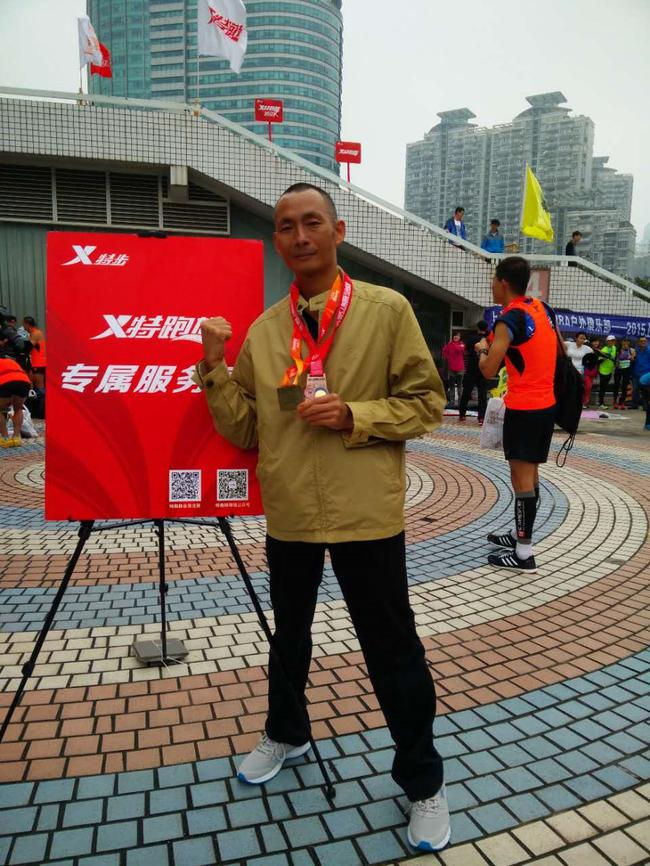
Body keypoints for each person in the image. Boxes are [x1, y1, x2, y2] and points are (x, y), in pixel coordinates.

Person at [196, 183, 450, 852]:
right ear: (276, 241)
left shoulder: (386, 311)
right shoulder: (264, 332)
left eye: (312, 223)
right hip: (291, 514)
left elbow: (426, 403)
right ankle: (287, 732)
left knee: (392, 648)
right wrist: (213, 367)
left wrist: (354, 414)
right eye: (286, 226)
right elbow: (246, 429)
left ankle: (423, 782)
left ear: (338, 232)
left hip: (366, 514)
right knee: (290, 638)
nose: (300, 236)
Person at [475, 256, 557, 573]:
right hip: (546, 404)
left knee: (522, 479)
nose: (491, 285)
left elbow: (488, 371)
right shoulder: (542, 309)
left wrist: (483, 348)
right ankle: (519, 535)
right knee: (529, 476)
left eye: (493, 279)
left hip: (524, 408)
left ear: (504, 282)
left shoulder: (508, 320)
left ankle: (524, 554)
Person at [0, 338, 31, 447]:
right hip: (24, 382)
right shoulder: (10, 361)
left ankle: (4, 438)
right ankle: (16, 438)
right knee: (18, 408)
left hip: (6, 382)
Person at [458, 320, 489, 424]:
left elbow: (466, 352)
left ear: (478, 328)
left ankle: (462, 414)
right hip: (484, 368)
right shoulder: (489, 339)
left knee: (466, 392)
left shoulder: (471, 339)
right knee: (482, 394)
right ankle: (481, 417)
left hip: (471, 368)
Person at [441, 332, 465, 406]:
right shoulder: (449, 344)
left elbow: (459, 350)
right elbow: (444, 351)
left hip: (460, 368)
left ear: (460, 337)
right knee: (451, 385)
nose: (456, 337)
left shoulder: (462, 344)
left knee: (459, 385)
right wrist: (448, 358)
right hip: (451, 368)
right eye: (455, 336)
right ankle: (452, 401)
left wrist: (454, 344)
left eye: (457, 336)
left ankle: (460, 402)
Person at [23, 316, 46, 393]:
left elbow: (28, 347)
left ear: (27, 324)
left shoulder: (36, 333)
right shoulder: (33, 333)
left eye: (23, 324)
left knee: (39, 386)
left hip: (38, 363)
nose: (23, 326)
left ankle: (42, 400)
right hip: (35, 363)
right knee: (36, 385)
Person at [612, 337, 635, 409]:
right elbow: (615, 359)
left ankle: (622, 402)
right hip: (618, 369)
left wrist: (631, 357)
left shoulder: (632, 350)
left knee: (624, 386)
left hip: (627, 370)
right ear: (621, 342)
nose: (626, 342)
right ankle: (615, 401)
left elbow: (633, 359)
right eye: (624, 341)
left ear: (629, 342)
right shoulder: (617, 349)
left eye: (627, 341)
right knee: (616, 385)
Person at [597, 335, 618, 409]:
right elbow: (598, 361)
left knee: (605, 387)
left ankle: (601, 402)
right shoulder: (604, 349)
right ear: (607, 341)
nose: (612, 342)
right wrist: (604, 358)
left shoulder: (614, 348)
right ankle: (601, 403)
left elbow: (615, 358)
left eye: (613, 340)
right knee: (602, 387)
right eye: (610, 341)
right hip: (603, 370)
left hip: (610, 370)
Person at [630, 335, 650, 409]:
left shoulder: (649, 350)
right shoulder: (635, 350)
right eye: (641, 341)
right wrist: (632, 357)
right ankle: (635, 405)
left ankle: (645, 405)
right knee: (635, 390)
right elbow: (632, 360)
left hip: (646, 374)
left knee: (645, 391)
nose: (643, 342)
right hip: (636, 373)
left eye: (644, 341)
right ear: (638, 342)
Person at [581, 336, 601, 408]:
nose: (596, 343)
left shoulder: (598, 350)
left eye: (597, 341)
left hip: (594, 371)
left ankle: (585, 403)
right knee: (587, 387)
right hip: (586, 371)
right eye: (594, 341)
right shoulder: (587, 349)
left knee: (589, 388)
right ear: (591, 342)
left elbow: (597, 361)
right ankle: (583, 402)